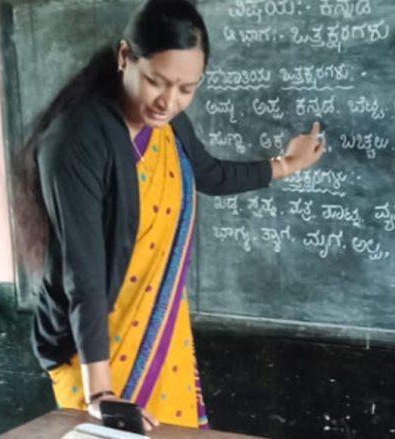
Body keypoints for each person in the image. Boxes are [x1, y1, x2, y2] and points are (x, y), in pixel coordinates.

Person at [26, 0, 325, 432]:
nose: (169, 101)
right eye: (156, 82)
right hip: (94, 350)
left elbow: (211, 173)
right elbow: (84, 272)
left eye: (187, 88)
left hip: (161, 326)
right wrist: (100, 394)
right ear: (125, 57)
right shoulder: (78, 140)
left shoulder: (165, 125)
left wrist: (286, 164)